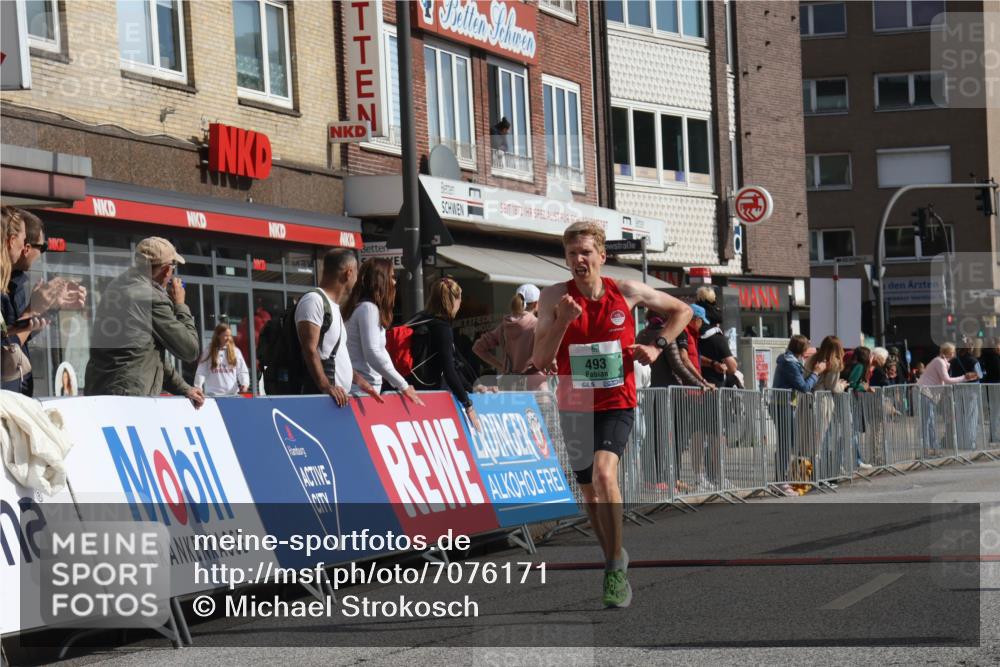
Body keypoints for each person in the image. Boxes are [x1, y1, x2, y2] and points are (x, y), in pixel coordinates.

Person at [532, 220, 691, 609]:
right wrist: (564, 322)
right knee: (589, 493)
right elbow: (539, 359)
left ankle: (615, 571)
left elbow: (682, 311)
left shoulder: (626, 291)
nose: (578, 260)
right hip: (575, 404)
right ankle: (613, 557)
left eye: (585, 252)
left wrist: (656, 346)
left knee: (605, 474)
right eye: (572, 254)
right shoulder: (554, 297)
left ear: (602, 256)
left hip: (617, 401)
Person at [84, 237, 204, 408]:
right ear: (166, 270)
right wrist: (180, 305)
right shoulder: (150, 298)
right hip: (128, 399)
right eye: (173, 267)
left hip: (102, 392)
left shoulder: (117, 286)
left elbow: (148, 354)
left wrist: (185, 389)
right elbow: (190, 350)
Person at [295, 249, 380, 407]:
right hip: (322, 401)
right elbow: (309, 349)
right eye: (356, 274)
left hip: (337, 400)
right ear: (348, 273)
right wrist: (326, 387)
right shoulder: (314, 300)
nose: (357, 280)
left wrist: (360, 381)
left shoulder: (333, 306)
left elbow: (334, 354)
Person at [343, 258, 423, 405]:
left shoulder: (364, 308)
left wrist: (398, 382)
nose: (395, 282)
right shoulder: (368, 309)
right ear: (381, 280)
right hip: (359, 392)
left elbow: (380, 352)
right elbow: (373, 352)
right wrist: (402, 384)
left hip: (363, 390)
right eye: (392, 277)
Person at [408, 277, 482, 429]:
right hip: (429, 394)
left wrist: (471, 387)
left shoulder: (420, 318)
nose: (460, 303)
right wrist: (468, 405)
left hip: (409, 388)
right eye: (459, 298)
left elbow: (455, 363)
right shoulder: (442, 328)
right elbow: (449, 370)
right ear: (452, 300)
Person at [770, 335, 827, 492]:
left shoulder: (791, 360)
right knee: (785, 444)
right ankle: (780, 482)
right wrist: (816, 372)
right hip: (783, 405)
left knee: (788, 443)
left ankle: (782, 479)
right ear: (802, 349)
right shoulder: (790, 363)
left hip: (786, 405)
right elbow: (804, 387)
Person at [472, 283, 546, 391]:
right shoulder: (538, 326)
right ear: (536, 304)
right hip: (534, 385)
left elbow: (478, 347)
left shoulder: (505, 325)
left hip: (507, 384)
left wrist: (501, 366)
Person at [918, 343, 978, 456]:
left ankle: (932, 447)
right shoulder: (939, 362)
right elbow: (947, 379)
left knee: (930, 422)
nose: (955, 353)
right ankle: (927, 449)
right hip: (925, 393)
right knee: (927, 422)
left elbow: (944, 380)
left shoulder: (942, 362)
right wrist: (964, 377)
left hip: (929, 394)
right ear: (950, 352)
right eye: (953, 351)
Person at [194, 323, 250, 396]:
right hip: (213, 395)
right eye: (225, 336)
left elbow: (242, 371)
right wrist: (198, 386)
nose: (228, 338)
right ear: (218, 336)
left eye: (230, 336)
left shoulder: (236, 351)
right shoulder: (208, 351)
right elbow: (201, 371)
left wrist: (244, 384)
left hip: (232, 395)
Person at [698, 309, 738, 388]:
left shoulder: (695, 336)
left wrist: (713, 364)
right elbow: (732, 367)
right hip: (713, 386)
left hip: (696, 384)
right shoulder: (718, 338)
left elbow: (694, 357)